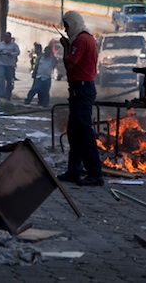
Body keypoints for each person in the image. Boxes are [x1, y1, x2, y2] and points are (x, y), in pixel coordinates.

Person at [57, 11, 104, 187]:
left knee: (84, 132)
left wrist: (66, 48)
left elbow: (69, 63)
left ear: (74, 23)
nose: (65, 29)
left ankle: (95, 173)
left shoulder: (81, 40)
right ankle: (73, 170)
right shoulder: (86, 38)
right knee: (75, 132)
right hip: (80, 88)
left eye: (67, 25)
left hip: (82, 89)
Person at [0, 32, 20, 100]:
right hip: (1, 64)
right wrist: (0, 53)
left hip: (10, 65)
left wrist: (11, 54)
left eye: (8, 37)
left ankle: (8, 95)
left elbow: (17, 52)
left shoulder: (14, 45)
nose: (7, 38)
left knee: (9, 81)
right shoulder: (0, 44)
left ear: (10, 37)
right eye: (5, 36)